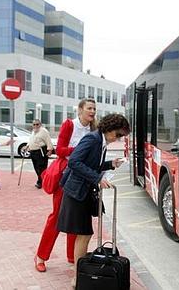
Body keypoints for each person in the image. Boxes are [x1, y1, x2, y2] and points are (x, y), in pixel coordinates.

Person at [57, 113, 130, 286]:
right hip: (77, 192)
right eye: (118, 134)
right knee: (84, 233)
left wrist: (110, 164)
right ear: (109, 128)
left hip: (83, 191)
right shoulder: (92, 139)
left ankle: (78, 275)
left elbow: (91, 164)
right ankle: (78, 277)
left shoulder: (100, 140)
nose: (117, 138)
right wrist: (97, 178)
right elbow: (74, 161)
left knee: (84, 234)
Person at [34, 98, 97, 273]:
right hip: (66, 175)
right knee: (57, 217)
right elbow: (59, 150)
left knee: (75, 218)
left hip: (82, 177)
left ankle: (72, 255)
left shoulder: (93, 129)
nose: (92, 111)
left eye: (94, 108)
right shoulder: (70, 125)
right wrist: (80, 149)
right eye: (89, 108)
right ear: (80, 109)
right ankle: (40, 256)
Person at [27, 119, 54, 189]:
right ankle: (42, 181)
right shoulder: (33, 132)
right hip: (33, 152)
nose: (35, 126)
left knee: (41, 168)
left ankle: (41, 182)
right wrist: (27, 146)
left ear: (40, 124)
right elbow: (31, 140)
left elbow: (48, 141)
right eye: (34, 124)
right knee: (36, 168)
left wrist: (50, 150)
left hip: (41, 152)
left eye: (37, 124)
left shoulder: (44, 131)